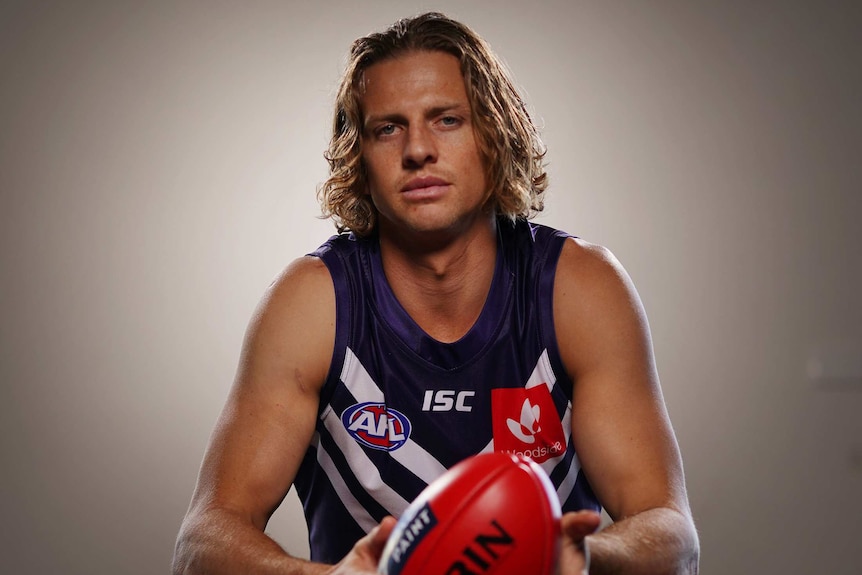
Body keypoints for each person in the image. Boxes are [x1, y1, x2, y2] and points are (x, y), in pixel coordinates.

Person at [172, 12, 699, 575]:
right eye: (387, 128)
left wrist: (585, 556)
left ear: (494, 135)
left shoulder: (577, 288)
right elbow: (202, 542)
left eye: (446, 119)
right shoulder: (314, 304)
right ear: (360, 158)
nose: (418, 149)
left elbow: (671, 533)